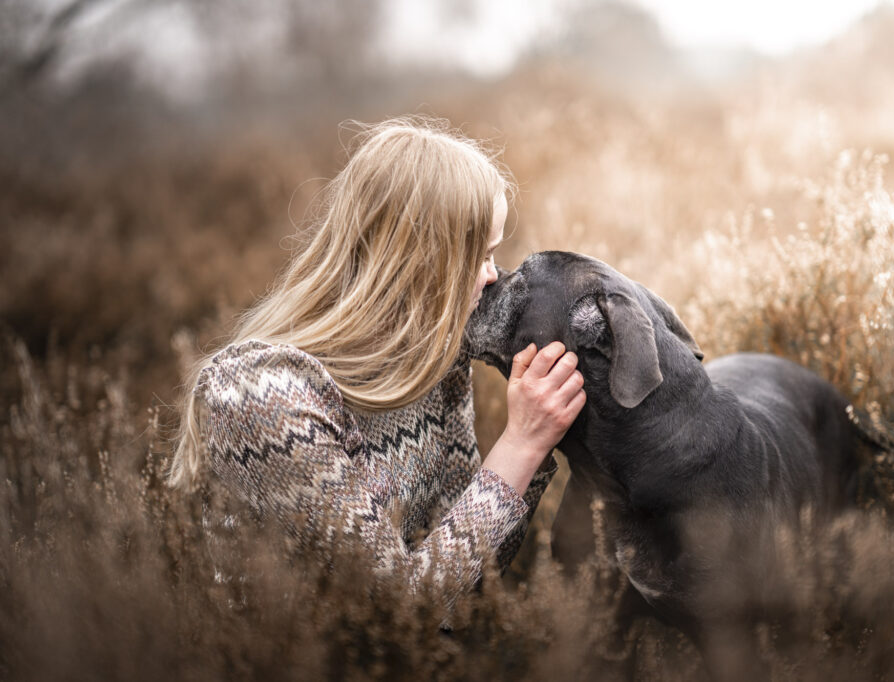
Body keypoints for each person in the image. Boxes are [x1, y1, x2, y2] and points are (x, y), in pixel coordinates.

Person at [169, 117, 585, 607]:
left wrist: (535, 444)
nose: (493, 276)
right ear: (422, 258)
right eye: (481, 254)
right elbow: (396, 610)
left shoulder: (434, 366)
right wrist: (521, 443)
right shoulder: (258, 396)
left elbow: (466, 585)